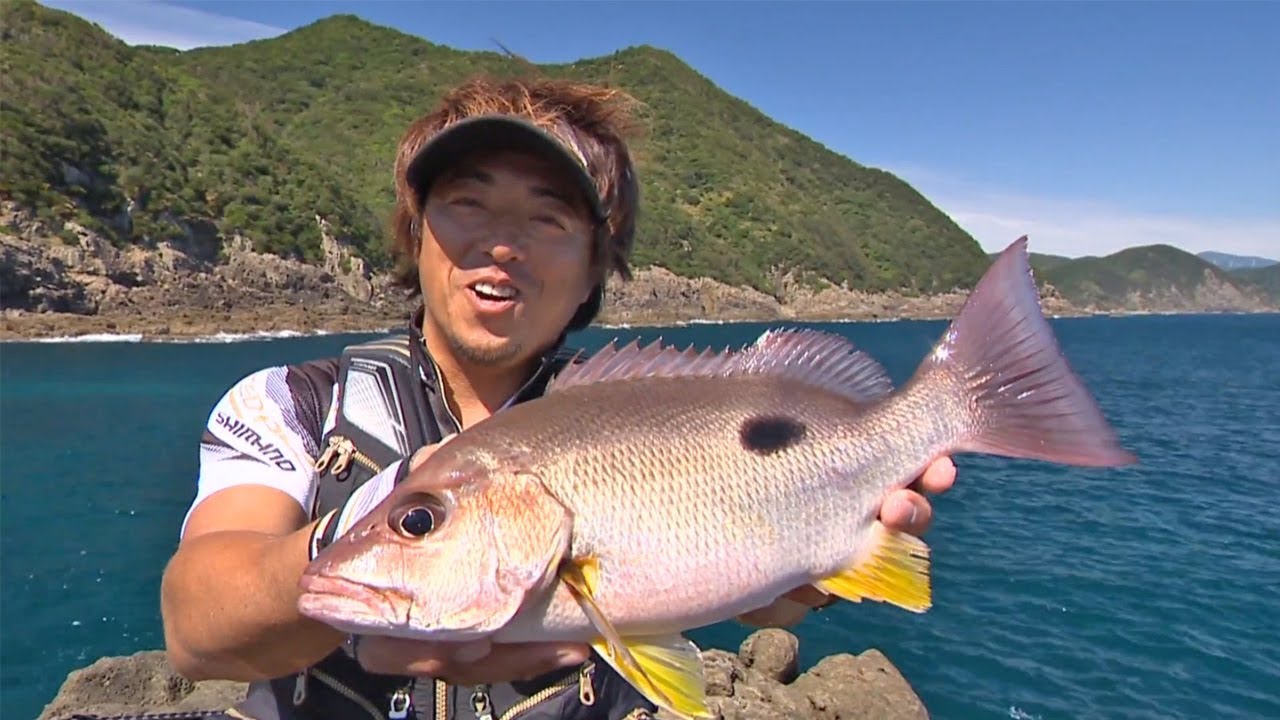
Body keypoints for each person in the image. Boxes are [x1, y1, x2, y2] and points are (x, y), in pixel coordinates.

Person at [159, 75, 957, 720]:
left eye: (548, 216)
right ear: (415, 231)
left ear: (597, 269)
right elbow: (198, 627)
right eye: (467, 202)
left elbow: (752, 601)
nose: (500, 242)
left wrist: (795, 587)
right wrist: (385, 522)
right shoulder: (293, 406)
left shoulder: (640, 410)